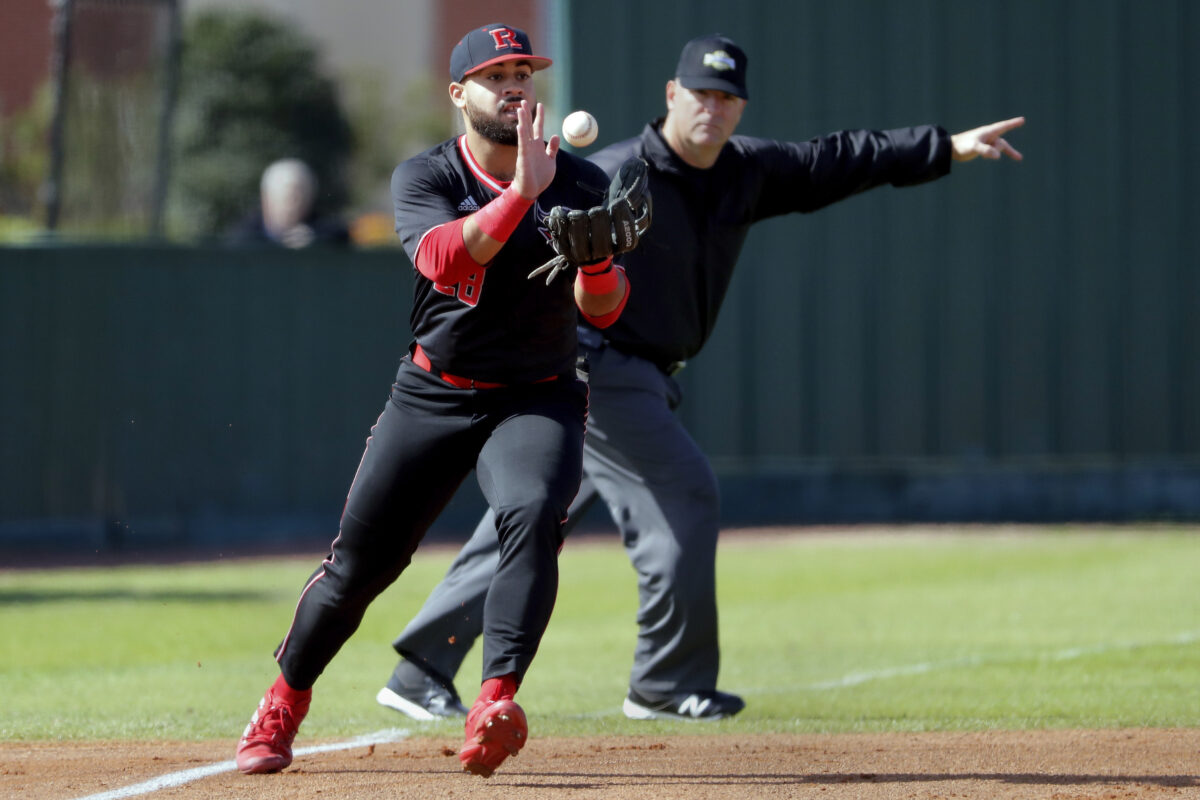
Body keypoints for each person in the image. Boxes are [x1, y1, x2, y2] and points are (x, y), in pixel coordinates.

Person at [375, 33, 1025, 723]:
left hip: (638, 371)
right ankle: (663, 682)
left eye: (726, 97)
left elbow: (836, 160)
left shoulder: (744, 170)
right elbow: (523, 254)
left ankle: (421, 668)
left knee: (533, 522)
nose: (711, 109)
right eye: (700, 94)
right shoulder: (615, 172)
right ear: (671, 96)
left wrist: (945, 147)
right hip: (597, 362)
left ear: (739, 107)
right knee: (683, 492)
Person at [235, 22, 637, 779]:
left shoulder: (580, 182)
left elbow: (607, 310)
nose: (516, 85)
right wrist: (524, 192)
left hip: (537, 395)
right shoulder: (425, 177)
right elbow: (445, 257)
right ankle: (284, 699)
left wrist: (601, 260)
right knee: (360, 566)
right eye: (496, 75)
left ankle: (495, 699)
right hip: (436, 392)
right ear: (460, 95)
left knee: (531, 513)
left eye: (524, 71)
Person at [225, 158, 350, 248]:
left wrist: (316, 240)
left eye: (303, 196)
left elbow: (342, 236)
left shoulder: (321, 227)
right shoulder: (246, 235)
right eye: (289, 197)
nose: (295, 205)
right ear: (267, 199)